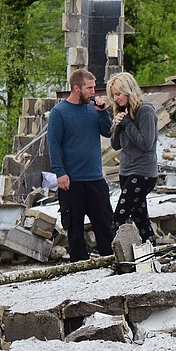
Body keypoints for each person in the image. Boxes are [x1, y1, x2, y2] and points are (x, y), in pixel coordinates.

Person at [47, 69, 114, 260]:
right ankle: (79, 266)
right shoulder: (59, 113)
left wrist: (103, 113)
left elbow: (107, 133)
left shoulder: (94, 110)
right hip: (71, 181)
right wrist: (60, 172)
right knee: (74, 228)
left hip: (95, 179)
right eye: (89, 88)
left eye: (94, 87)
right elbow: (54, 144)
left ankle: (110, 261)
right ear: (77, 88)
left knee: (105, 225)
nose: (93, 92)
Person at [108, 72, 159, 244]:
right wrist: (117, 126)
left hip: (143, 172)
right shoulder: (123, 111)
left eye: (118, 94)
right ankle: (150, 252)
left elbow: (146, 143)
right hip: (126, 171)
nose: (116, 99)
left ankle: (119, 259)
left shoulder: (145, 111)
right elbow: (115, 145)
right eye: (113, 95)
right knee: (140, 219)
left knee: (118, 219)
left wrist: (127, 123)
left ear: (129, 91)